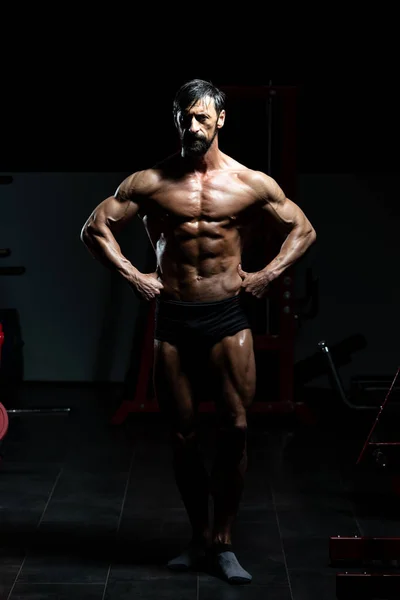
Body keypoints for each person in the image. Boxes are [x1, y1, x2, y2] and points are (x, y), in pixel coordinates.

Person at [80, 79, 316, 585]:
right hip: (174, 318)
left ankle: (225, 542)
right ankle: (198, 538)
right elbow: (95, 227)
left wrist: (268, 275)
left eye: (202, 119)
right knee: (183, 436)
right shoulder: (150, 182)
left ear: (220, 120)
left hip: (227, 316)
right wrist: (134, 277)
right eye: (184, 118)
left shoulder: (250, 183)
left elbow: (304, 229)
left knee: (234, 428)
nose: (192, 127)